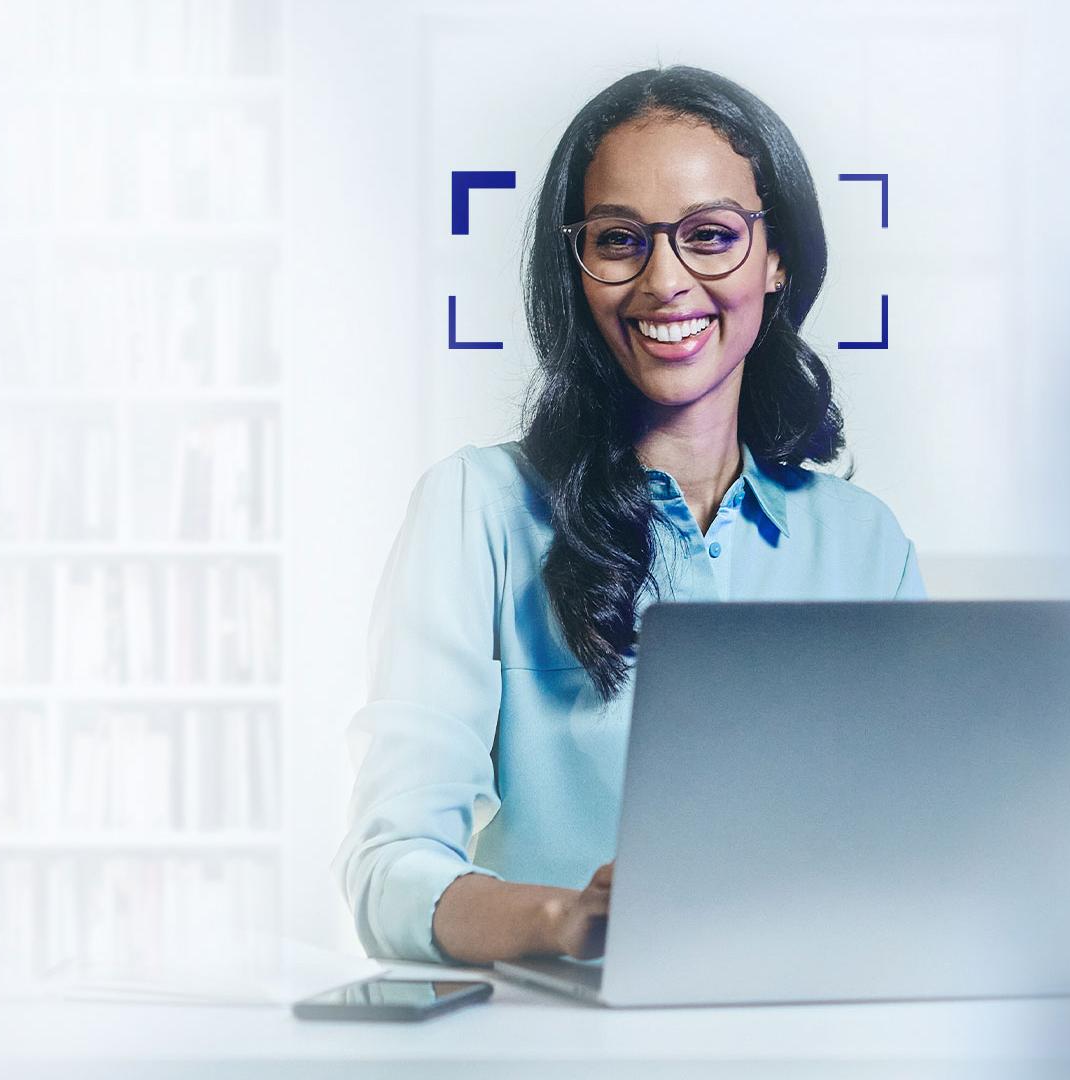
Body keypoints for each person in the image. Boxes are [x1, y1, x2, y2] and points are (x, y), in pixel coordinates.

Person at [331, 65, 927, 967]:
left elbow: (919, 849)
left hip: (802, 1023)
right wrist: (567, 921)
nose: (664, 281)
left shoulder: (863, 540)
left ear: (778, 261)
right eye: (619, 240)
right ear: (576, 269)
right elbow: (390, 872)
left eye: (711, 235)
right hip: (557, 1042)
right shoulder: (478, 510)